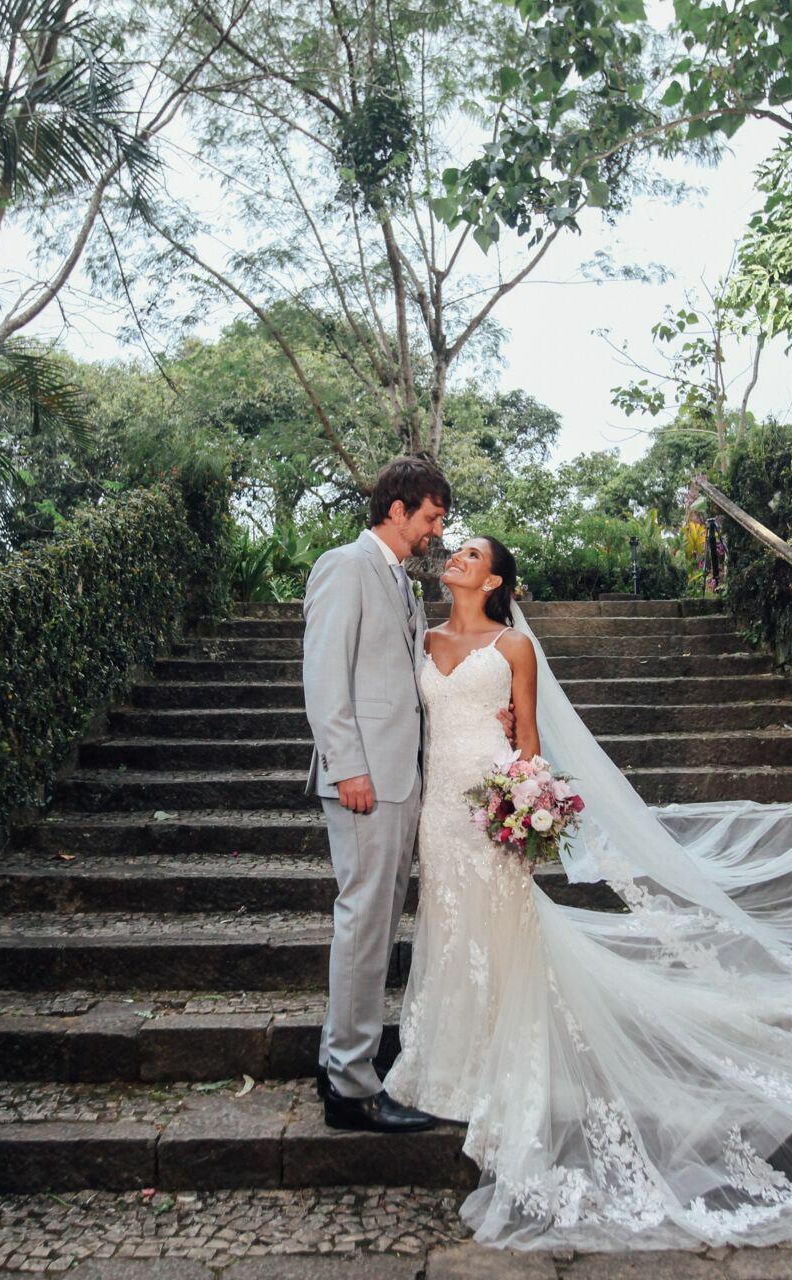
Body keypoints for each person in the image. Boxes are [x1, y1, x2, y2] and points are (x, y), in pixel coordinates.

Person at [381, 534, 792, 1251]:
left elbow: (529, 739)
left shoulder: (514, 648)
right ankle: (445, 1062)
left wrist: (525, 800)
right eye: (454, 550)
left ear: (494, 580)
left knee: (502, 930)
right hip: (438, 811)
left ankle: (502, 1063)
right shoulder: (422, 639)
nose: (455, 556)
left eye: (471, 554)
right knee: (449, 925)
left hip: (492, 807)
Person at [300, 456, 449, 1133]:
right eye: (430, 516)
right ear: (398, 508)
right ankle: (351, 1087)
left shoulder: (403, 583)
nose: (436, 531)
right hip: (366, 780)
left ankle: (339, 1057)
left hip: (401, 777)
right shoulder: (344, 566)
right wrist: (348, 766)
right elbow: (325, 676)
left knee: (376, 927)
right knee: (363, 926)